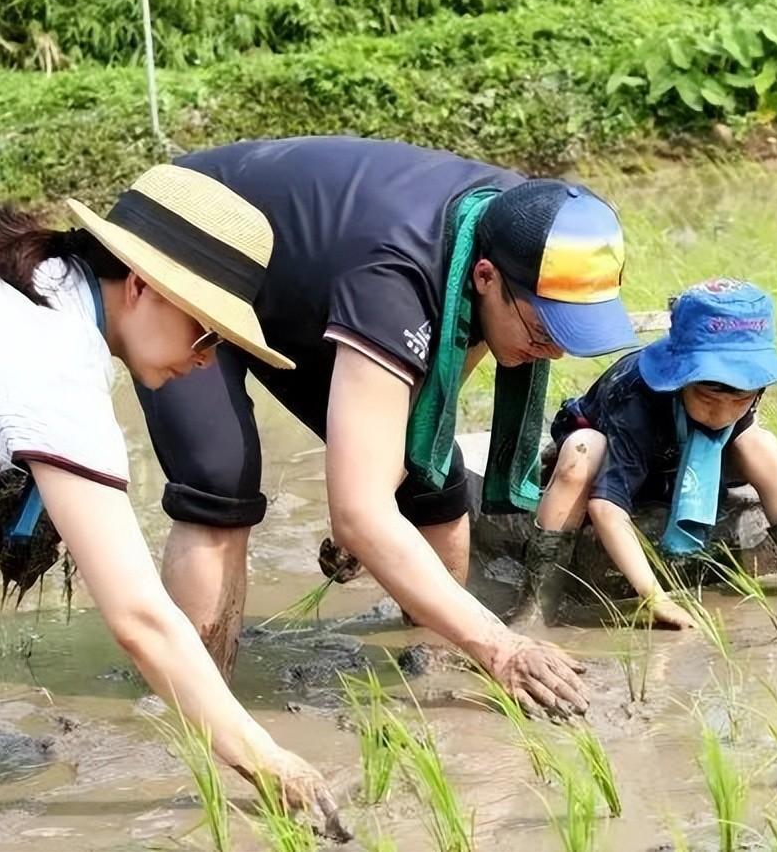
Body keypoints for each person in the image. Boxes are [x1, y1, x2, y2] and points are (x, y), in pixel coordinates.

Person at [0, 165, 342, 851]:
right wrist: (264, 758)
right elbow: (139, 619)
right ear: (140, 285)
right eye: (207, 333)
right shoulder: (56, 365)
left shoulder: (29, 277)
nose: (207, 359)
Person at [136, 136, 638, 716]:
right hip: (188, 240)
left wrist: (371, 508)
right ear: (484, 278)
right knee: (220, 477)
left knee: (431, 477)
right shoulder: (397, 278)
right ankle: (196, 709)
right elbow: (360, 510)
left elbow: (427, 410)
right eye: (544, 330)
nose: (550, 352)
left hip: (307, 274)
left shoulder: (524, 223)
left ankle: (436, 675)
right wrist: (501, 645)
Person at [527, 279, 777, 629]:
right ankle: (536, 605)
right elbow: (605, 506)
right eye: (709, 399)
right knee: (582, 453)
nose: (723, 414)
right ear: (680, 378)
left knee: (762, 446)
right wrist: (657, 599)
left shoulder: (740, 396)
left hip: (681, 461)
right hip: (619, 457)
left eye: (741, 401)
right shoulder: (635, 399)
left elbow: (743, 430)